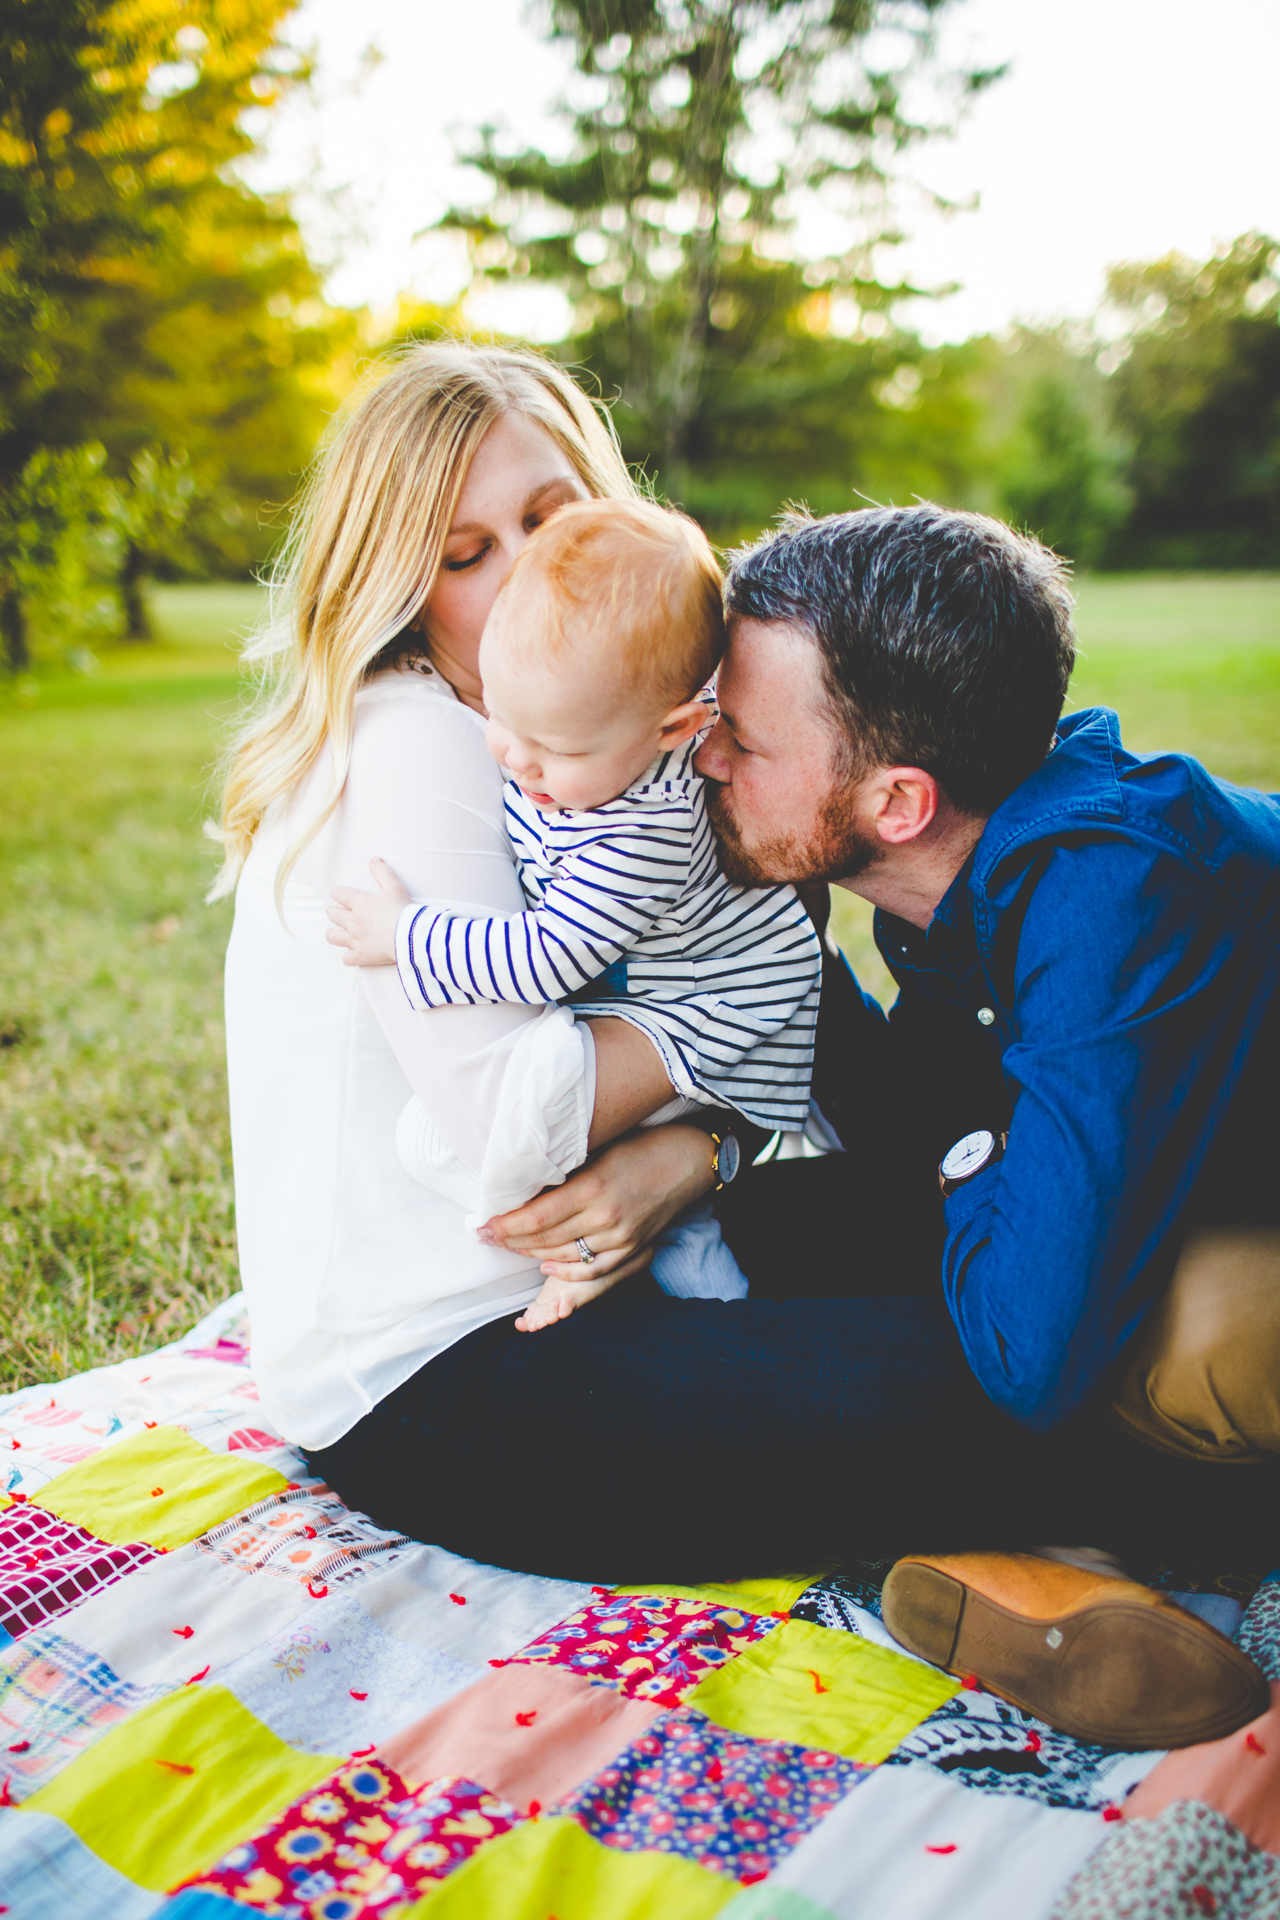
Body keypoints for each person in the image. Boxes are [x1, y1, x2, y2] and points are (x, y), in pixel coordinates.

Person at [216, 340, 1268, 1752]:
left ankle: (1029, 1553)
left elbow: (810, 1061)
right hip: (450, 1363)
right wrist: (720, 1107)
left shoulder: (596, 743)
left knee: (1036, 1320)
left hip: (582, 1293)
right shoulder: (446, 743)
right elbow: (524, 1123)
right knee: (1014, 1356)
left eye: (548, 521)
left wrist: (703, 1149)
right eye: (468, 553)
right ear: (399, 584)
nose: (531, 580)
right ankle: (1055, 1551)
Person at [324, 495, 822, 1329]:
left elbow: (546, 957)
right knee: (671, 1222)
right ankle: (692, 1285)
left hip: (717, 1014)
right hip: (665, 997)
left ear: (678, 726)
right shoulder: (600, 728)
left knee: (472, 1134)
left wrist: (406, 936)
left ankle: (595, 1261)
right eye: (503, 720)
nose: (517, 758)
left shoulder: (647, 832)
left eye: (554, 749)